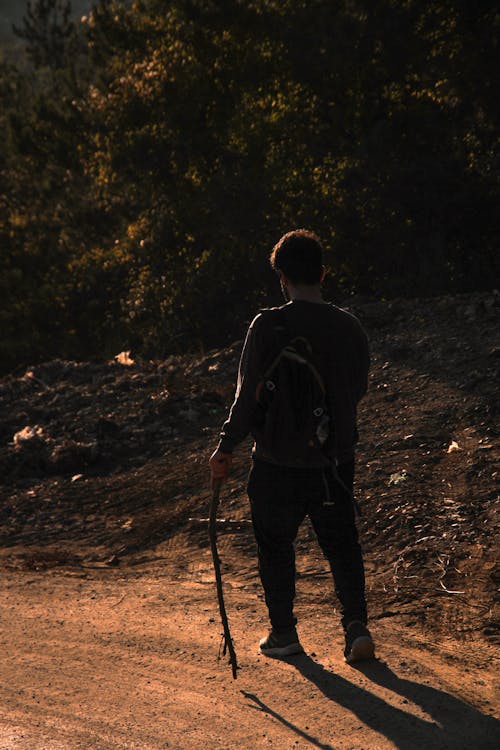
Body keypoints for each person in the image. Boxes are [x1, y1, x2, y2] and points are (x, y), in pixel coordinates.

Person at [209, 229, 374, 663]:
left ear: (281, 277)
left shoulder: (267, 326)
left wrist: (226, 445)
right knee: (342, 545)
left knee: (275, 545)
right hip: (333, 464)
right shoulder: (350, 327)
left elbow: (247, 398)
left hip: (276, 464)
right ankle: (356, 627)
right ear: (322, 273)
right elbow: (356, 390)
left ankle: (284, 633)